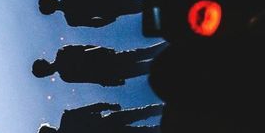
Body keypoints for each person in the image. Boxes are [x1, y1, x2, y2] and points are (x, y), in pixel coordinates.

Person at [38, 100, 165, 133]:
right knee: (143, 114)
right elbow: (90, 109)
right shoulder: (66, 118)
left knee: (144, 130)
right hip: (109, 122)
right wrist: (107, 106)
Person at [32, 41, 166, 87]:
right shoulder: (62, 54)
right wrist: (104, 50)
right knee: (144, 56)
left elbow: (90, 78)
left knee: (144, 62)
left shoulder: (65, 71)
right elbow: (86, 49)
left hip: (109, 66)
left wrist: (109, 81)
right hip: (108, 64)